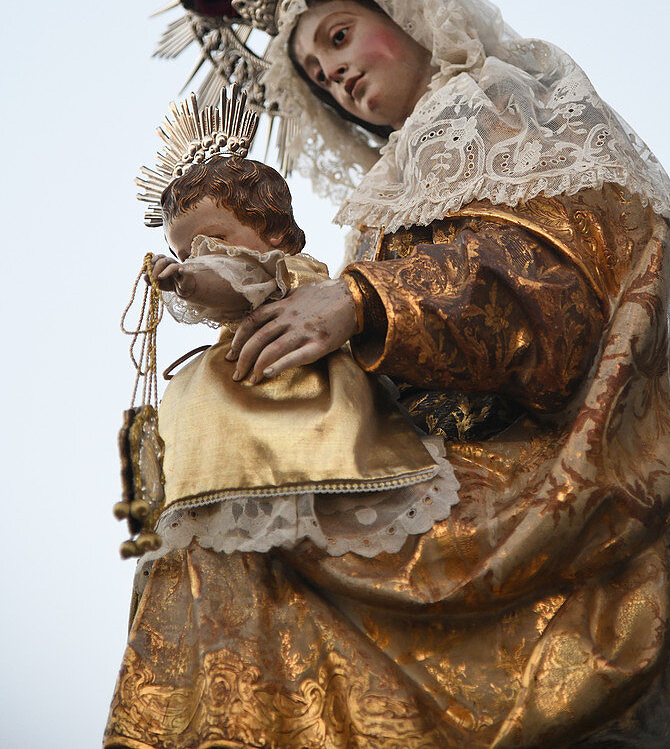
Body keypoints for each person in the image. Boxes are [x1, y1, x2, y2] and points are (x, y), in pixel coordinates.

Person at [106, 0, 670, 748]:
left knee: (234, 533)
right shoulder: (394, 193)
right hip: (432, 465)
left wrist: (356, 303)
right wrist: (251, 294)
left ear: (403, 9)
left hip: (544, 476)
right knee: (218, 492)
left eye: (342, 36)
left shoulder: (502, 105)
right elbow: (359, 331)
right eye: (314, 72)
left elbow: (554, 281)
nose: (338, 72)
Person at [129, 109, 457, 584]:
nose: (199, 255)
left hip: (302, 404)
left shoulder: (282, 279)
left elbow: (231, 280)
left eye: (213, 239)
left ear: (276, 234)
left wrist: (187, 279)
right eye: (184, 251)